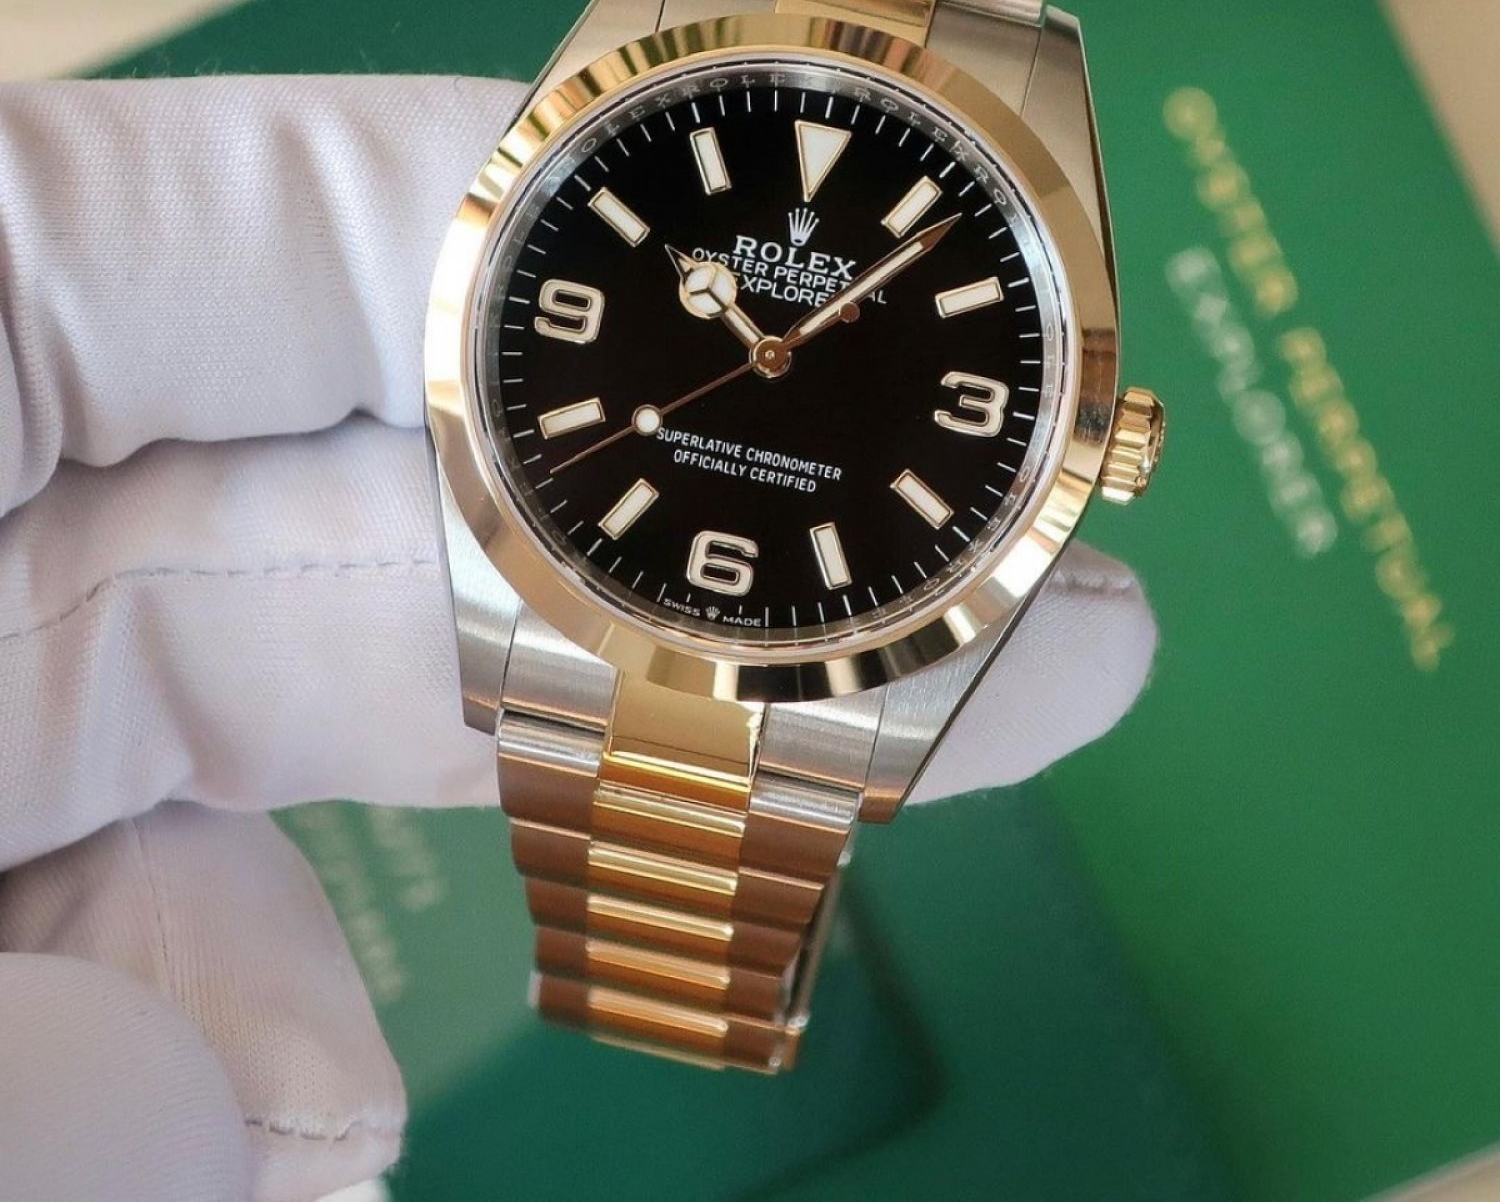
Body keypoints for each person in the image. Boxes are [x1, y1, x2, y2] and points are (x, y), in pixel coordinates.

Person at [0, 76, 1157, 1201]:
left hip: (735, 569)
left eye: (787, 350)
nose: (771, 356)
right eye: (760, 337)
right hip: (609, 516)